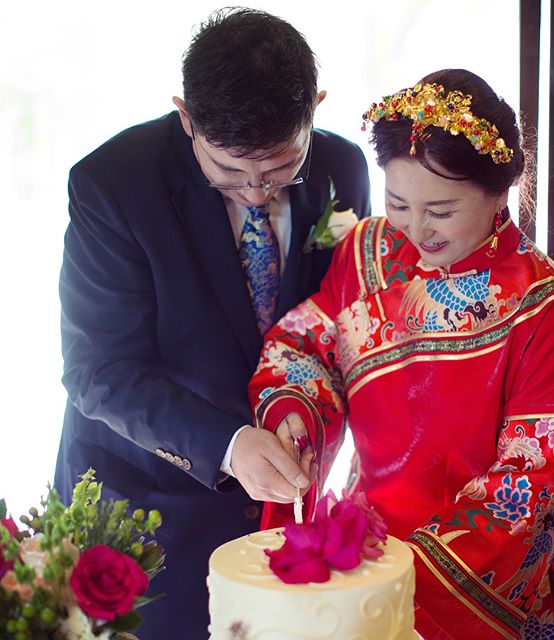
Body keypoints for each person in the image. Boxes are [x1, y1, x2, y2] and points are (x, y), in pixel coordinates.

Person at [53, 7, 370, 638]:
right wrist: (226, 443)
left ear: (317, 108)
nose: (256, 191)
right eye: (229, 171)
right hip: (144, 500)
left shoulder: (343, 168)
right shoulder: (113, 184)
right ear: (185, 115)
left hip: (283, 501)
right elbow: (99, 370)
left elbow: (336, 317)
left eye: (279, 168)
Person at [246, 69, 554, 639]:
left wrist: (402, 574)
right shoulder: (367, 253)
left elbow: (532, 483)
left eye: (442, 210)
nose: (416, 230)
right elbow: (306, 346)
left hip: (465, 582)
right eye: (399, 203)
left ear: (500, 191)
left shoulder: (544, 310)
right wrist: (293, 419)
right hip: (359, 555)